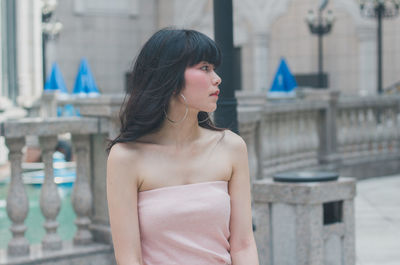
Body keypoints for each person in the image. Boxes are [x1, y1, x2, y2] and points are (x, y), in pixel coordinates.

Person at [106, 28, 259, 265]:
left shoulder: (231, 147)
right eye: (205, 68)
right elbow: (128, 258)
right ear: (171, 78)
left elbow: (243, 245)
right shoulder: (126, 157)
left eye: (214, 69)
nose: (217, 78)